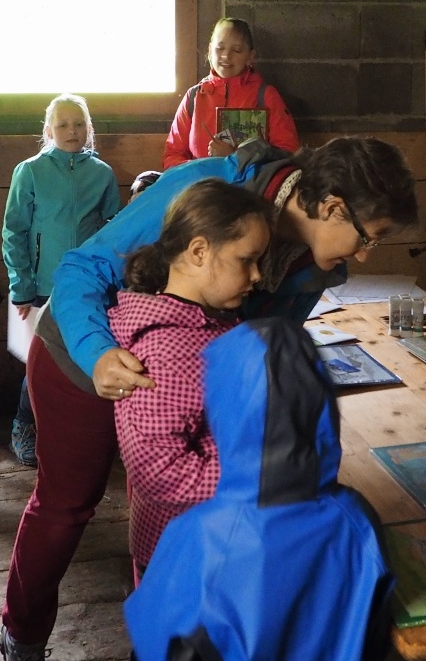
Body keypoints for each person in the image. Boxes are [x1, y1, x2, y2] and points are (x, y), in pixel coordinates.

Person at [0, 135, 417, 660]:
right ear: (333, 207)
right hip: (85, 353)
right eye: (369, 238)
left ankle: (156, 616)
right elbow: (83, 267)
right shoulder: (209, 189)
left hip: (176, 377)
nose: (362, 254)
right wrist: (98, 353)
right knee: (67, 504)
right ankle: (23, 633)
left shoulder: (319, 266)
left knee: (155, 508)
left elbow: (260, 350)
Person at [124, 318, 393, 660]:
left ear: (224, 410)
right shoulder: (360, 519)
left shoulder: (199, 538)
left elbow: (155, 645)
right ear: (321, 397)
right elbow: (374, 631)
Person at [110, 179, 271, 576]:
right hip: (185, 555)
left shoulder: (206, 324)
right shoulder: (166, 353)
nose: (257, 276)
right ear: (199, 251)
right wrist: (265, 474)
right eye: (247, 260)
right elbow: (161, 474)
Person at [1, 93, 120, 467]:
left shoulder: (102, 174)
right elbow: (14, 231)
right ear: (49, 130)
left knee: (85, 358)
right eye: (64, 124)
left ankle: (82, 434)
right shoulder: (31, 171)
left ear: (89, 129)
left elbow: (113, 230)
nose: (72, 131)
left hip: (88, 289)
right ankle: (24, 426)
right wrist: (21, 287)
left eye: (79, 124)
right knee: (37, 363)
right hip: (41, 287)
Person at [161, 18, 299, 169]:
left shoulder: (265, 96)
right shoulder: (194, 97)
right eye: (220, 48)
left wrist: (235, 157)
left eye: (237, 50)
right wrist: (199, 171)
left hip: (249, 189)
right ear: (209, 50)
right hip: (199, 187)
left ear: (250, 56)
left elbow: (288, 152)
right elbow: (172, 155)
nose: (226, 56)